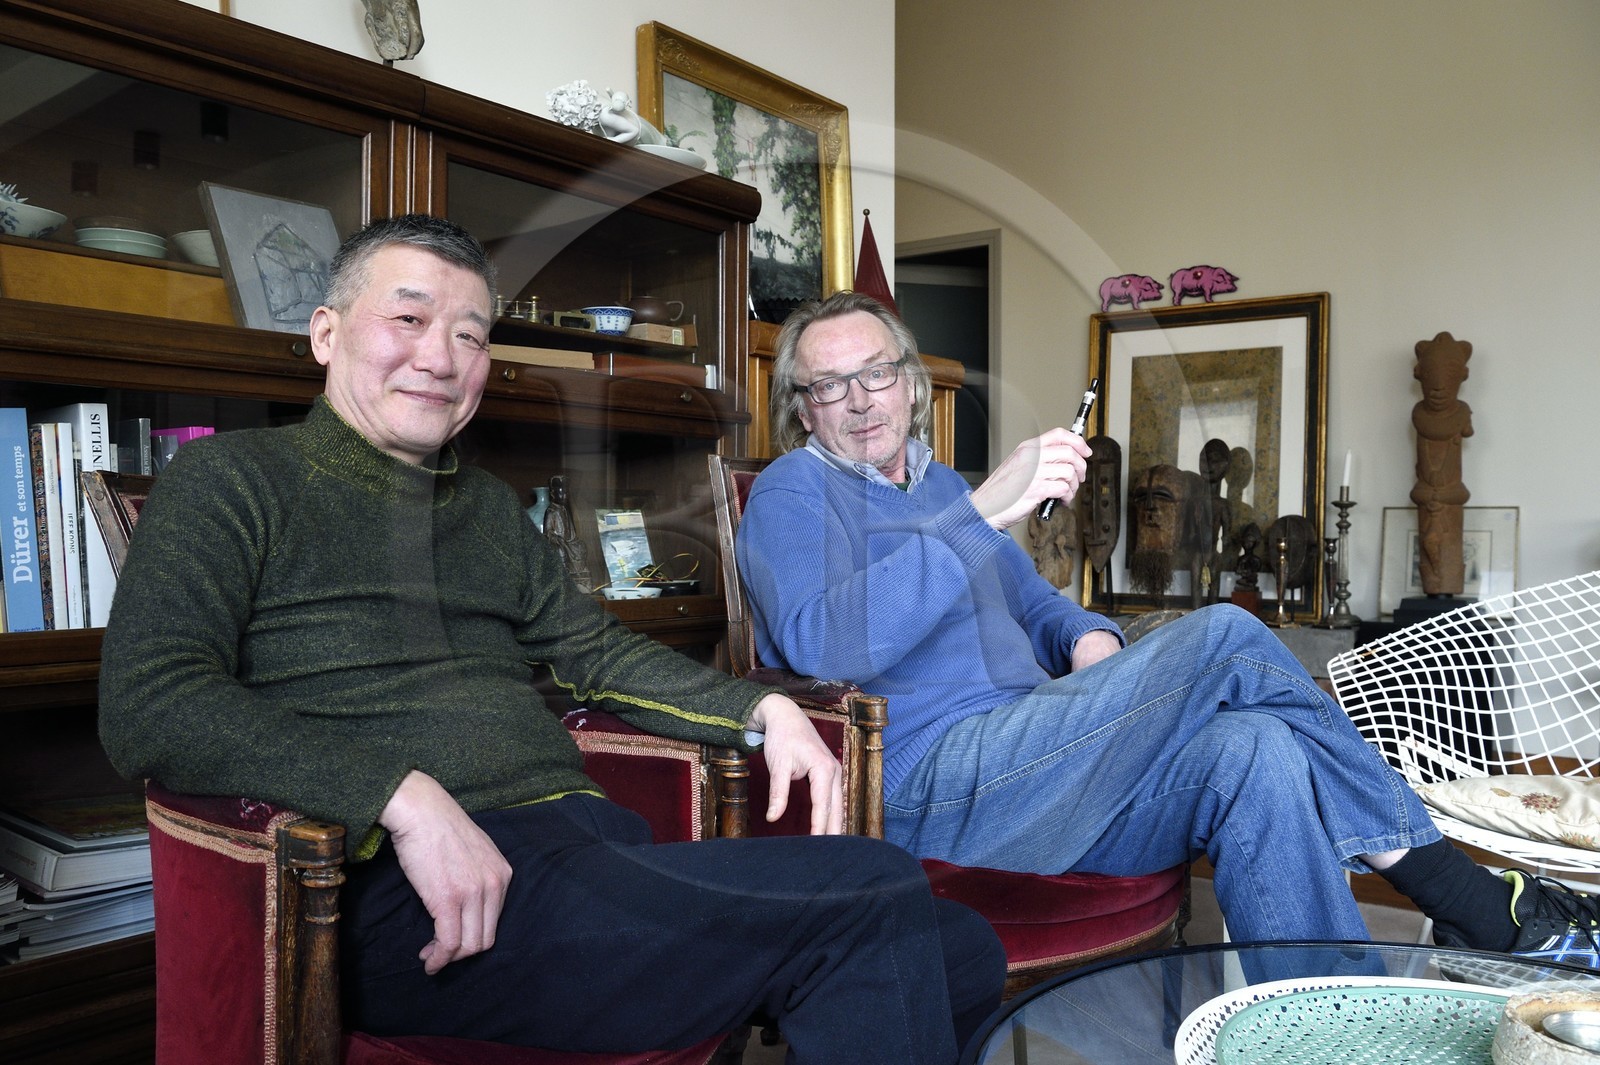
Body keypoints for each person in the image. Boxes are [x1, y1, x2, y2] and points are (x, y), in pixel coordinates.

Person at [97, 218, 1004, 1062]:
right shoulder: (231, 481)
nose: (441, 357)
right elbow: (152, 700)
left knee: (961, 941)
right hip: (412, 897)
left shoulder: (485, 508)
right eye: (409, 318)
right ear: (327, 333)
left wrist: (765, 707)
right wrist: (399, 798)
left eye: (470, 334)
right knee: (871, 893)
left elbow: (600, 654)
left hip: (584, 858)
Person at [737, 290, 1600, 966]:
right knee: (1222, 629)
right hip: (931, 787)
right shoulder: (789, 494)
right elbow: (823, 642)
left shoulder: (933, 489)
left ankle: (1325, 1028)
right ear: (802, 408)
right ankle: (1468, 895)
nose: (856, 399)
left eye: (875, 373)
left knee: (1256, 747)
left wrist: (1087, 639)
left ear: (911, 383)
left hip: (1042, 765)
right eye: (826, 385)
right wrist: (985, 508)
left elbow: (1037, 606)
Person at [1411, 331, 1474, 596]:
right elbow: (1424, 453)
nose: (1438, 387)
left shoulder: (1460, 412)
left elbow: (1465, 434)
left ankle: (1448, 585)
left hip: (1450, 494)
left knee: (1446, 546)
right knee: (1429, 543)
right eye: (1432, 377)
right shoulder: (1418, 413)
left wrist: (1442, 489)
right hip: (1428, 493)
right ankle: (1434, 586)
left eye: (1447, 377)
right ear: (1420, 375)